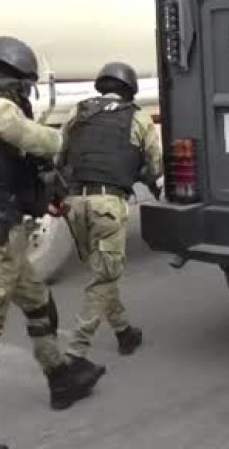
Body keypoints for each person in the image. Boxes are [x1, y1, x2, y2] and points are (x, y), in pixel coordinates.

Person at [0, 36, 105, 449]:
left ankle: (61, 378)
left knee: (38, 303)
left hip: (0, 235)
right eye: (27, 85)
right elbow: (44, 142)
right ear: (17, 76)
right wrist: (78, 129)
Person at [57, 61, 163, 361]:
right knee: (103, 279)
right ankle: (76, 353)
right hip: (107, 206)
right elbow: (155, 166)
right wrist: (141, 175)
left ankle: (124, 331)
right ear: (130, 89)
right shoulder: (137, 117)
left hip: (74, 204)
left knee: (103, 271)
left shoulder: (77, 112)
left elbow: (59, 154)